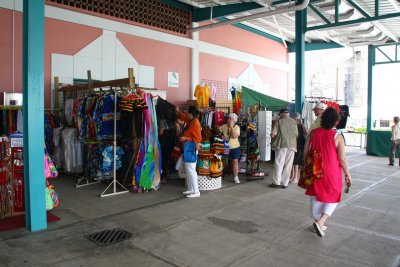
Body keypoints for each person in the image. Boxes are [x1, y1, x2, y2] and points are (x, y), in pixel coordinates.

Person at [304, 107, 352, 238]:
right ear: (336, 122)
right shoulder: (338, 136)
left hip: (315, 168)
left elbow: (305, 151)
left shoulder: (313, 133)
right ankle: (321, 221)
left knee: (316, 195)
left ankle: (317, 222)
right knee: (333, 195)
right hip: (331, 170)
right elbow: (342, 159)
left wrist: (305, 166)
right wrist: (348, 174)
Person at [270, 108, 298, 189]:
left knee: (279, 163)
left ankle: (276, 182)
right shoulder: (293, 121)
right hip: (292, 145)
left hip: (281, 144)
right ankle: (285, 183)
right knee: (288, 165)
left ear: (282, 114)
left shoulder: (279, 121)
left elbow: (273, 134)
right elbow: (296, 134)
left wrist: (270, 136)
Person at [178, 106, 202, 198]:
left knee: (191, 170)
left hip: (191, 149)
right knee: (189, 170)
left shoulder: (195, 123)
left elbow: (198, 139)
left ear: (191, 114)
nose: (186, 114)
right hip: (188, 149)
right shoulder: (191, 121)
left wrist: (186, 138)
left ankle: (196, 191)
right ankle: (191, 189)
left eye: (187, 112)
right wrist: (178, 112)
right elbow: (184, 117)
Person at [221, 113, 241, 184]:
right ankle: (220, 174)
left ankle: (236, 177)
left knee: (235, 161)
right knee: (224, 161)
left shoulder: (237, 127)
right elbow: (218, 132)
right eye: (228, 118)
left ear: (234, 120)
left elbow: (235, 136)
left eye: (231, 119)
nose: (229, 120)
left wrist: (232, 127)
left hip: (235, 147)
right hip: (226, 147)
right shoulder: (223, 126)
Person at [290, 112, 307, 183]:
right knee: (292, 161)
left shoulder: (300, 125)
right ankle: (292, 176)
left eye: (297, 118)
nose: (296, 119)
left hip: (298, 145)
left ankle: (296, 177)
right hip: (294, 144)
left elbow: (306, 133)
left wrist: (301, 124)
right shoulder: (293, 124)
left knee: (295, 161)